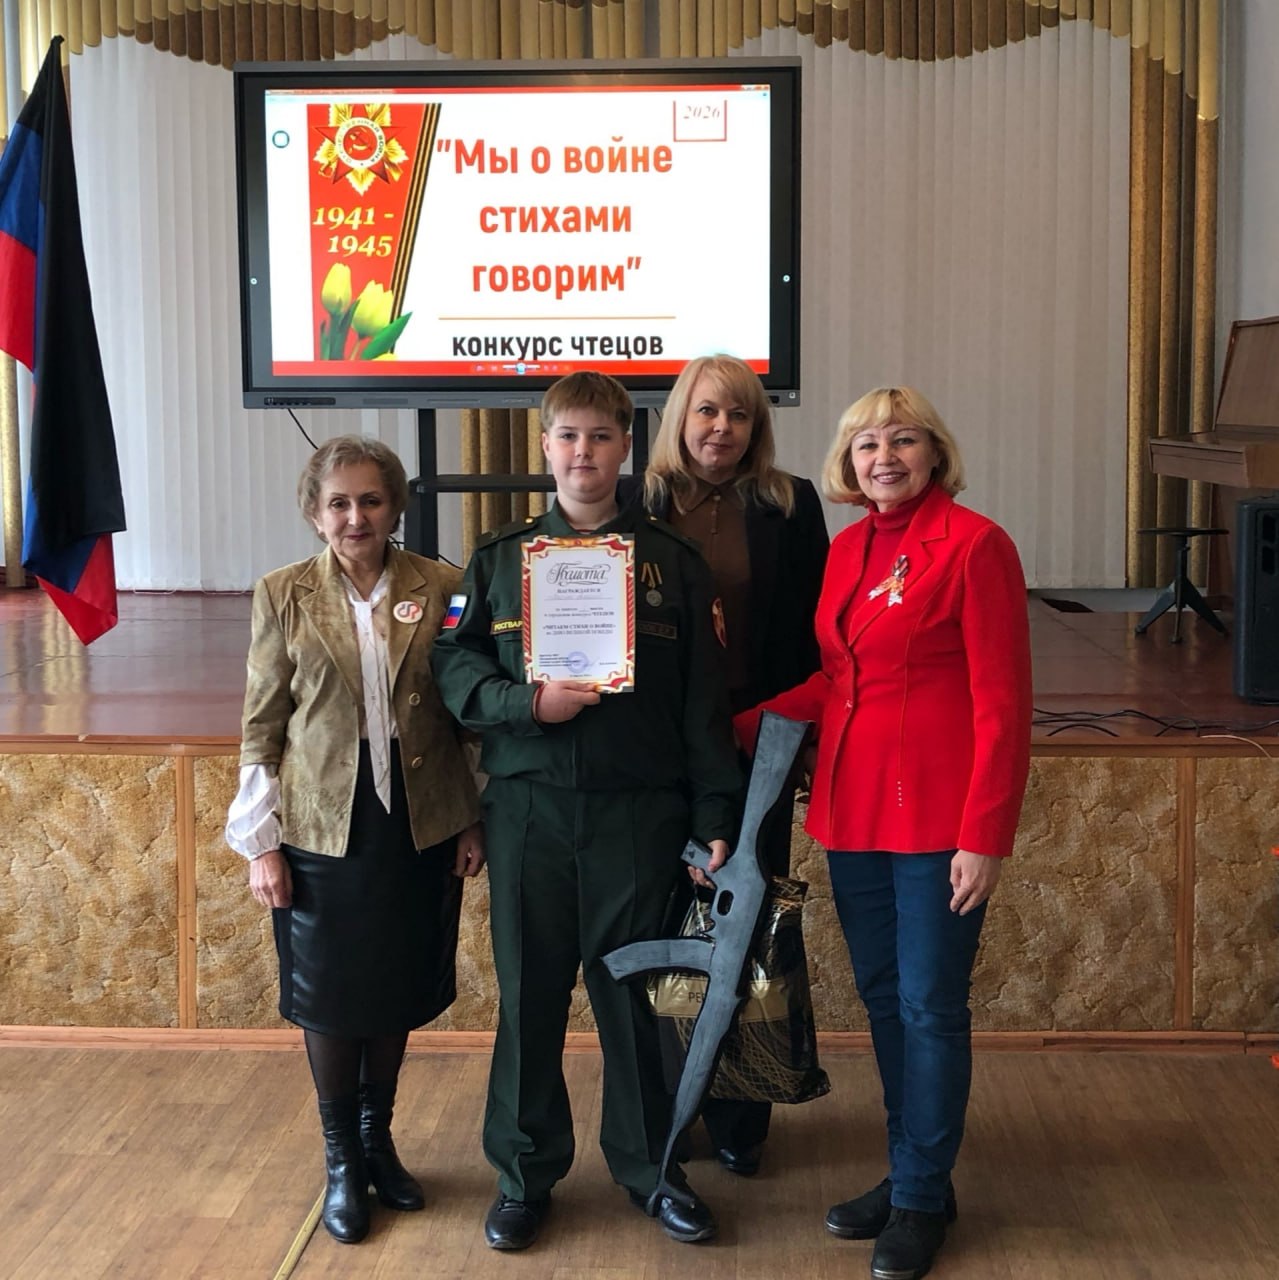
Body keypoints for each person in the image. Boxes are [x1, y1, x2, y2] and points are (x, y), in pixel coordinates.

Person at [432, 371, 742, 1250]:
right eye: (567, 436)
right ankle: (523, 1176)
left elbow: (702, 707)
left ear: (625, 447)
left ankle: (653, 1170)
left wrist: (713, 816)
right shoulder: (497, 560)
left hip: (636, 818)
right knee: (528, 999)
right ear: (545, 447)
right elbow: (453, 668)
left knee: (633, 1003)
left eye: (600, 437)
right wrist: (527, 703)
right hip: (527, 812)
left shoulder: (672, 566)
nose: (583, 453)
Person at [734, 388, 1032, 1280]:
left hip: (940, 817)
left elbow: (1003, 702)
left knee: (930, 1006)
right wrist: (731, 727)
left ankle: (920, 1197)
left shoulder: (975, 546)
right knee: (883, 999)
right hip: (854, 809)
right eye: (866, 444)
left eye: (902, 440)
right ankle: (913, 1178)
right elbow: (839, 680)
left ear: (934, 453)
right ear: (848, 462)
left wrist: (985, 833)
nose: (884, 457)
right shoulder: (849, 548)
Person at [225, 436, 485, 1245]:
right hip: (318, 829)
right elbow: (263, 723)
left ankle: (379, 1143)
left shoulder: (442, 586)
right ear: (314, 513)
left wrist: (470, 816)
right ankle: (341, 1161)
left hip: (417, 823)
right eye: (337, 503)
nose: (355, 517)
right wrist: (261, 843)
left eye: (370, 500)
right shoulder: (282, 594)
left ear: (394, 505)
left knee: (394, 985)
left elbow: (463, 715)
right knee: (331, 997)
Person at [622, 353, 829, 1176]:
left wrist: (800, 740)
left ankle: (741, 1109)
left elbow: (812, 633)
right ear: (679, 418)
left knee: (745, 926)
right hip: (652, 747)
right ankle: (665, 1106)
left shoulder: (788, 503)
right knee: (657, 924)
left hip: (754, 744)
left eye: (739, 414)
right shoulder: (635, 501)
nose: (721, 428)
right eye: (707, 411)